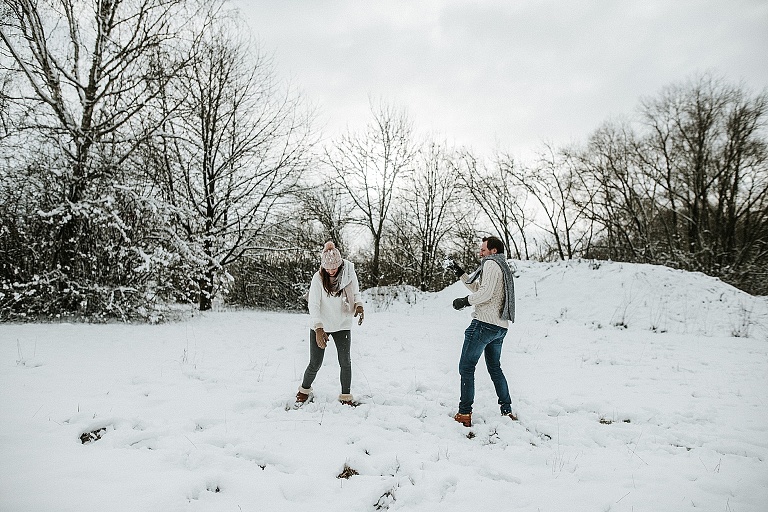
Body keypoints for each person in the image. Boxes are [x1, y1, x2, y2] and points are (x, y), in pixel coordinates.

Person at [446, 235, 516, 427]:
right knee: (495, 368)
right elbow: (479, 287)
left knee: (466, 367)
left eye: (483, 250)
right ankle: (507, 410)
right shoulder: (502, 266)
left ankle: (464, 413)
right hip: (499, 327)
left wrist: (464, 301)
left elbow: (484, 294)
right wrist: (459, 272)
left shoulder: (491, 264)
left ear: (493, 251)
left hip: (484, 324)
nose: (480, 253)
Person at [295, 241, 365, 407]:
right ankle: (304, 391)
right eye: (328, 268)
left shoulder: (349, 274)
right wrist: (318, 327)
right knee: (315, 363)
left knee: (345, 361)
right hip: (321, 325)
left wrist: (359, 305)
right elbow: (314, 304)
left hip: (342, 324)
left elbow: (356, 293)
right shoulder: (318, 278)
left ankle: (346, 396)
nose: (331, 271)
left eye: (334, 268)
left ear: (340, 264)